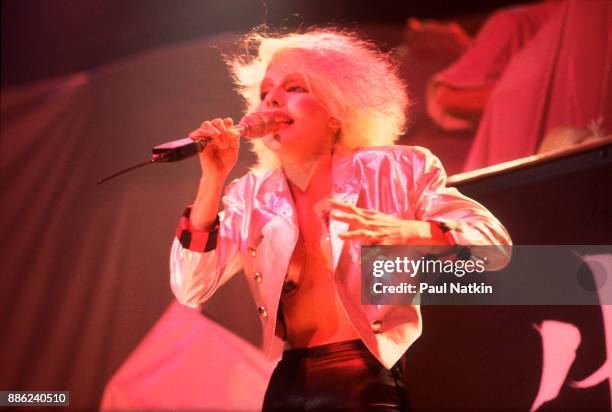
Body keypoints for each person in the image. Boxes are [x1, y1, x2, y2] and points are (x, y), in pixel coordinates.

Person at [169, 28, 511, 411]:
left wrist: (410, 230)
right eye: (265, 93)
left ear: (335, 110)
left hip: (368, 377)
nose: (272, 100)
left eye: (294, 87)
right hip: (289, 382)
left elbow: (494, 246)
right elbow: (190, 288)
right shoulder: (250, 195)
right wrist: (212, 181)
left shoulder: (398, 169)